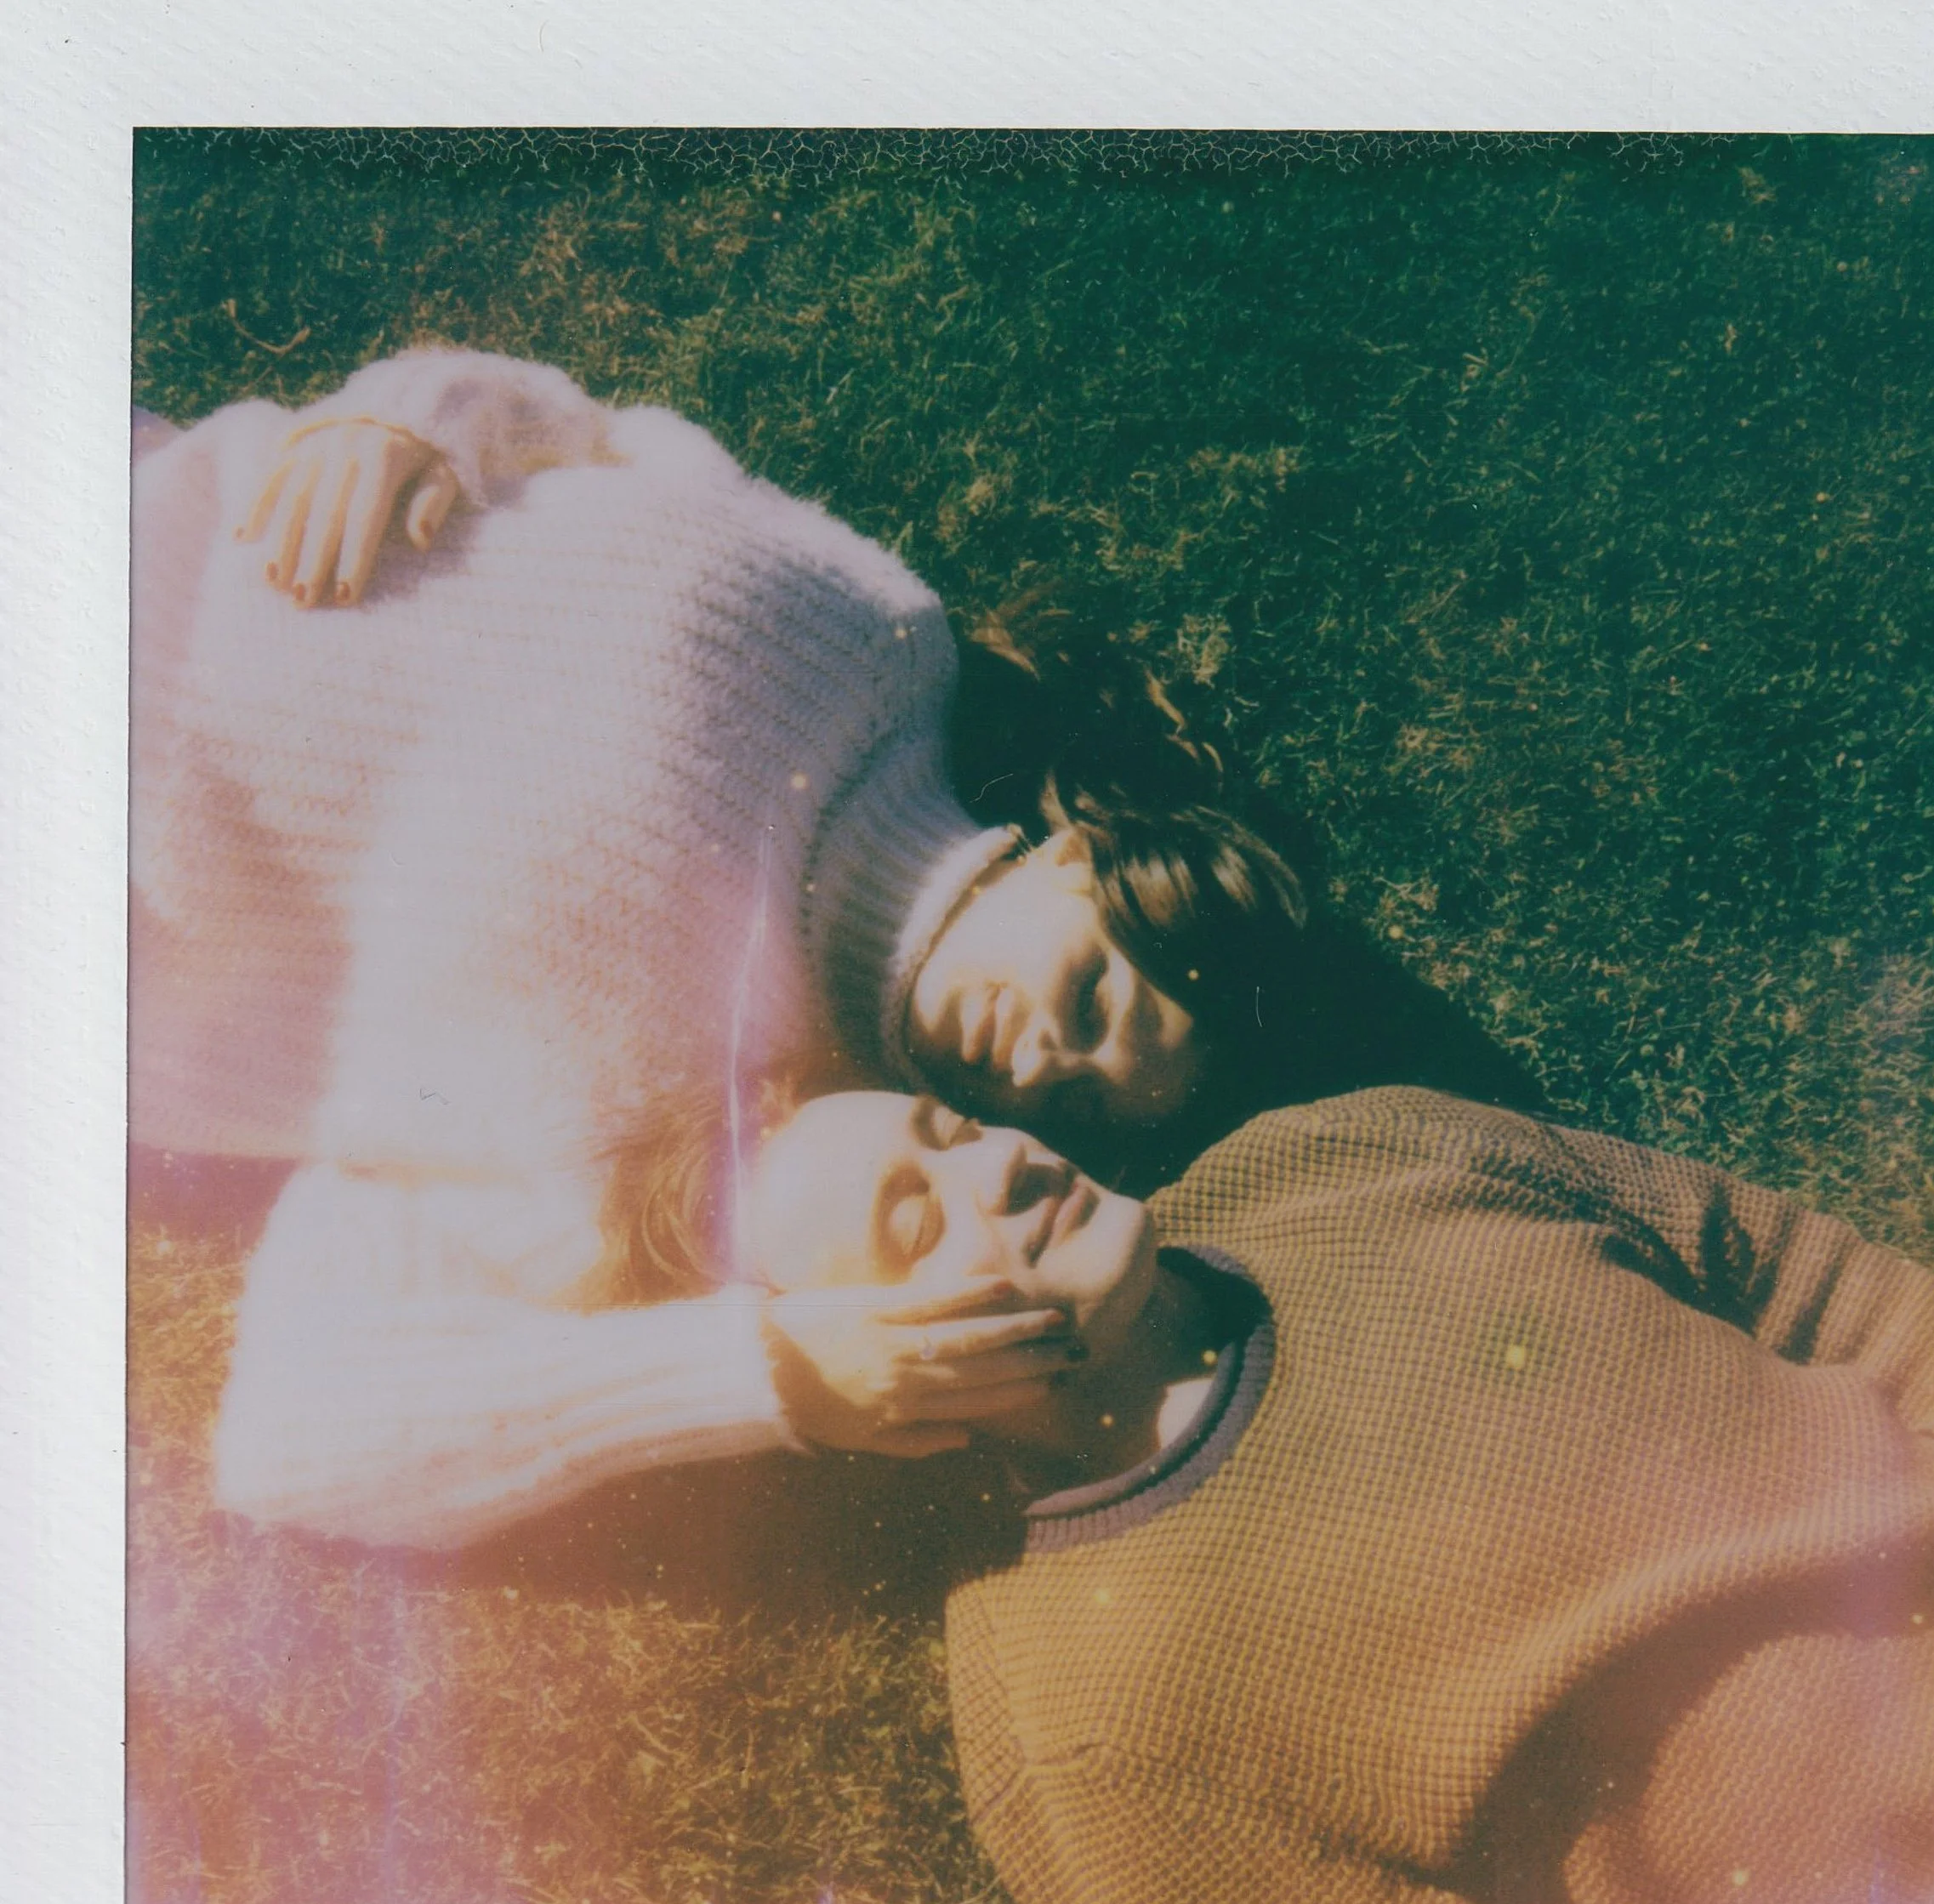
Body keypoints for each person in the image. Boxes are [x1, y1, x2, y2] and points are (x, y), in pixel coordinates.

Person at [131, 346, 1330, 1549]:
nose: (1033, 1063)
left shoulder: (696, 1106)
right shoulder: (886, 635)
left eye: (1071, 1100)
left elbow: (299, 1435)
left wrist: (771, 1377)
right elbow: (607, 440)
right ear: (1077, 856)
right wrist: (411, 421)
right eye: (1089, 997)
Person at [744, 1085, 1934, 1904]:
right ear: (877, 1389)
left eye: (955, 1130)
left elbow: (1797, 1272)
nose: (998, 1167)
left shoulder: (1339, 1150)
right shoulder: (1086, 1741)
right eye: (919, 1220)